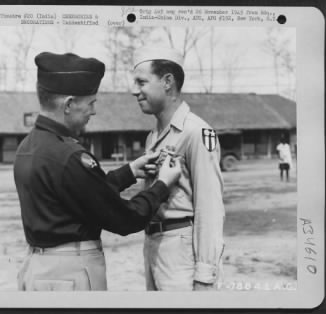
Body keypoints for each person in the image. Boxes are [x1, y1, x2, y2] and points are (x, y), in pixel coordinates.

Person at [13, 52, 182, 291]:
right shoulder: (70, 155)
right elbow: (125, 219)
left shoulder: (28, 147)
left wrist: (130, 171)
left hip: (38, 269)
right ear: (69, 104)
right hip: (70, 273)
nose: (93, 112)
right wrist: (162, 185)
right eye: (90, 103)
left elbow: (81, 193)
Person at [131, 47, 225, 291]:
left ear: (167, 82)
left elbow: (210, 208)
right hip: (153, 243)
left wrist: (205, 273)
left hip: (181, 250)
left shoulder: (197, 132)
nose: (134, 91)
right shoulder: (153, 137)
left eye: (141, 82)